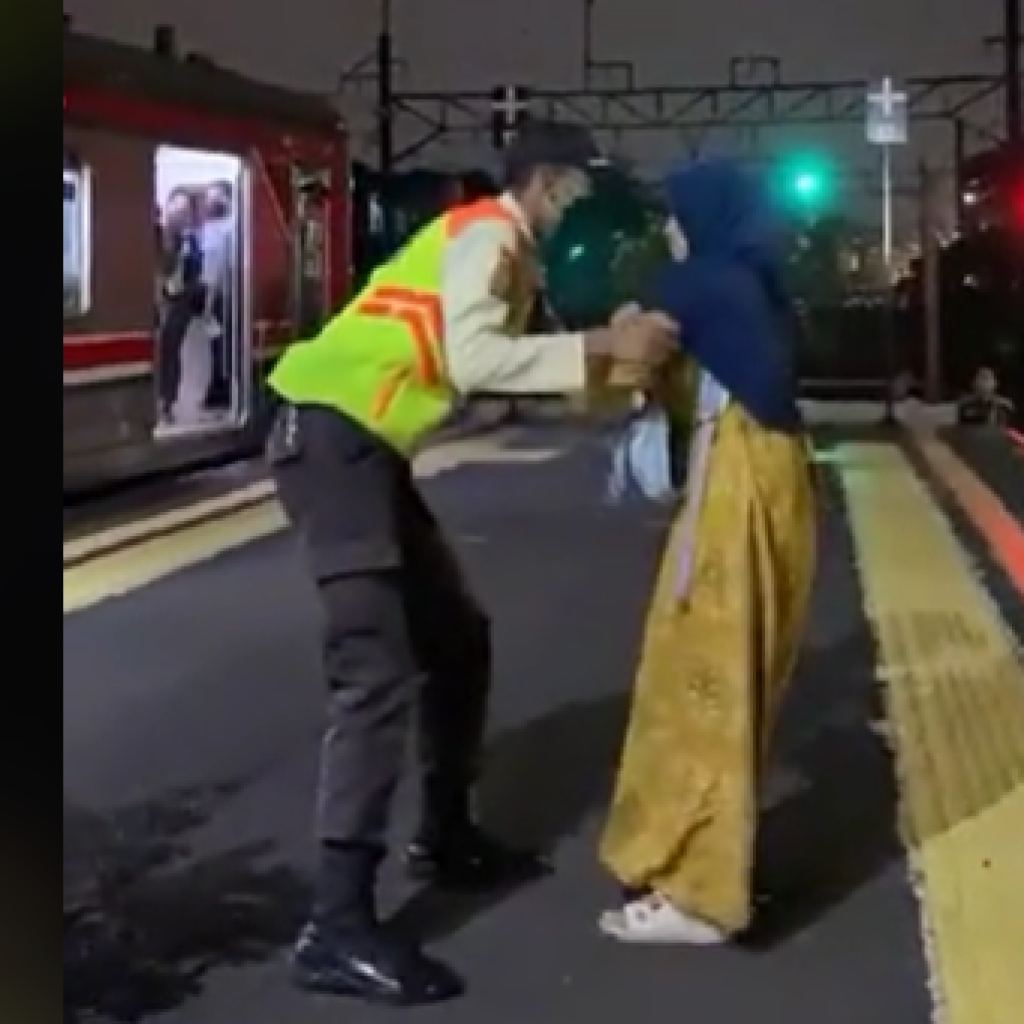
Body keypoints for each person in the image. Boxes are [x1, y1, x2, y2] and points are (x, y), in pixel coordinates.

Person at [266, 120, 679, 1004]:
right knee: (375, 670)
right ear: (547, 182)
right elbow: (478, 357)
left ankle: (445, 835)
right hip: (333, 440)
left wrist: (618, 359)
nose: (582, 206)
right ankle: (334, 927)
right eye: (577, 188)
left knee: (456, 639)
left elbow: (522, 375)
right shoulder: (488, 234)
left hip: (364, 449)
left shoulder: (512, 255)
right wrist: (604, 348)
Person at [597, 158, 817, 944]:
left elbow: (619, 360)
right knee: (741, 680)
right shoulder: (757, 280)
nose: (668, 228)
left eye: (675, 212)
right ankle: (710, 865)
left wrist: (616, 342)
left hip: (737, 485)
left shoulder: (699, 282)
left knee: (701, 682)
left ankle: (698, 895)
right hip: (779, 479)